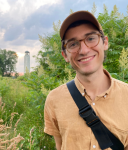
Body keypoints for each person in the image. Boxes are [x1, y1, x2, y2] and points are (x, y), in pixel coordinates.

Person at [44, 10, 128, 150]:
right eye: (73, 44)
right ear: (65, 55)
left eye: (90, 38)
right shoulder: (54, 100)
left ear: (105, 42)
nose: (83, 50)